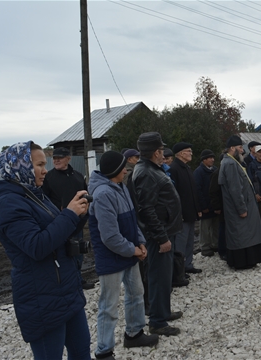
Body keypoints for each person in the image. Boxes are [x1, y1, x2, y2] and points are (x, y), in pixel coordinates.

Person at [0, 141, 91, 359]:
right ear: (19, 166)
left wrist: (78, 216)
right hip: (41, 296)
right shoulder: (8, 203)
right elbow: (37, 246)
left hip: (66, 289)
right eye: (39, 164)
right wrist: (69, 215)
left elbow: (59, 233)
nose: (45, 170)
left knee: (81, 351)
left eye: (46, 163)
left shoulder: (34, 194)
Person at [88, 151, 158, 360]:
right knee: (109, 305)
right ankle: (104, 350)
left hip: (129, 252)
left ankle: (134, 333)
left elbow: (131, 219)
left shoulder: (120, 187)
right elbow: (109, 236)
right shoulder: (102, 194)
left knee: (136, 292)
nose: (126, 170)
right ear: (113, 171)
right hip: (111, 257)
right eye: (122, 168)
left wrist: (141, 242)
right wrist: (134, 250)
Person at [128, 132, 183, 337]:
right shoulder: (146, 173)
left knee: (165, 274)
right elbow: (147, 210)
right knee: (159, 276)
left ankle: (163, 311)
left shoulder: (150, 169)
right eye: (161, 150)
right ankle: (158, 322)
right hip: (159, 235)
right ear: (155, 152)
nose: (163, 154)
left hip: (165, 231)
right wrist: (161, 237)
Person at [42, 147, 92, 290]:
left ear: (68, 159)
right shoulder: (48, 178)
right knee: (62, 254)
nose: (56, 160)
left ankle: (78, 279)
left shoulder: (77, 176)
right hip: (58, 223)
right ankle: (64, 281)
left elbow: (85, 197)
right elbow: (43, 201)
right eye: (54, 158)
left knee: (78, 253)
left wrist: (84, 214)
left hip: (78, 222)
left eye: (60, 157)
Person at [218, 135, 261, 268]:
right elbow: (235, 189)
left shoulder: (233, 162)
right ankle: (242, 262)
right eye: (239, 147)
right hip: (238, 208)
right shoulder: (230, 164)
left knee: (246, 234)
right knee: (241, 235)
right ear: (232, 148)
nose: (242, 150)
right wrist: (242, 209)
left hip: (243, 205)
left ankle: (249, 260)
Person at [169, 142, 202, 274]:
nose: (191, 153)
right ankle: (179, 269)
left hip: (191, 212)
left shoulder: (187, 168)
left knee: (189, 241)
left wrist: (197, 208)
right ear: (181, 153)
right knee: (180, 243)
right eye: (189, 151)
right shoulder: (174, 169)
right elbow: (174, 194)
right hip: (182, 214)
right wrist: (178, 213)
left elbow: (193, 191)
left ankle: (188, 264)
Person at [194, 149, 219, 257]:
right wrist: (203, 206)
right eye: (210, 158)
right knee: (205, 227)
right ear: (204, 160)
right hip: (206, 206)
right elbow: (198, 190)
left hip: (215, 205)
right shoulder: (198, 172)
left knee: (216, 226)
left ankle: (215, 244)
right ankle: (204, 246)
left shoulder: (215, 170)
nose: (212, 160)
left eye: (213, 158)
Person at [209, 153, 227, 260]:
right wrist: (216, 207)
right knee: (222, 228)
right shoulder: (217, 173)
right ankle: (222, 250)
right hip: (221, 205)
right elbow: (213, 191)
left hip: (228, 206)